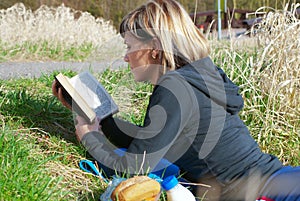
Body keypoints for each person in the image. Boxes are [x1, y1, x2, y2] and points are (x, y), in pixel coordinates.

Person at [52, 0, 300, 200]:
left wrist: (89, 137)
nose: (126, 57)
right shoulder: (197, 75)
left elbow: (133, 166)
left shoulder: (174, 87)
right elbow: (151, 144)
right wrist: (102, 121)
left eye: (129, 46)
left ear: (154, 47)